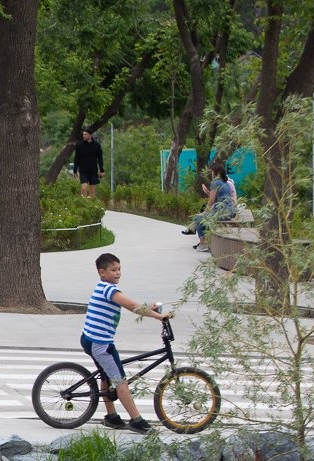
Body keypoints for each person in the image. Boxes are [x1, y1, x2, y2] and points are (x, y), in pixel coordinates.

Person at [80, 252, 171, 434]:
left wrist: (149, 309)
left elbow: (133, 304)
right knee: (120, 382)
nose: (118, 273)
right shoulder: (109, 290)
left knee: (106, 376)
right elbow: (133, 307)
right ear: (102, 272)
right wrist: (159, 316)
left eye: (120, 269)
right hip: (100, 344)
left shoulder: (104, 288)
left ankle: (111, 417)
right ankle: (137, 420)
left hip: (91, 339)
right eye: (113, 270)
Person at [184, 163, 237, 252]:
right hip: (230, 212)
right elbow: (218, 198)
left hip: (222, 212)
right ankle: (195, 232)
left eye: (212, 172)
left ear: (216, 172)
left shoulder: (215, 182)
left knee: (198, 218)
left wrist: (205, 211)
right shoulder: (225, 183)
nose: (211, 174)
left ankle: (203, 244)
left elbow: (212, 200)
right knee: (201, 217)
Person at [73, 128, 104, 199]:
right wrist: (75, 171)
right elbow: (76, 159)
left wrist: (101, 170)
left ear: (90, 135)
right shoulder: (79, 145)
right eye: (83, 134)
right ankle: (83, 203)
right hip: (83, 170)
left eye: (85, 134)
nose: (84, 136)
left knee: (92, 191)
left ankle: (91, 206)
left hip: (93, 171)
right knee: (84, 187)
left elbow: (100, 158)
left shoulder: (97, 145)